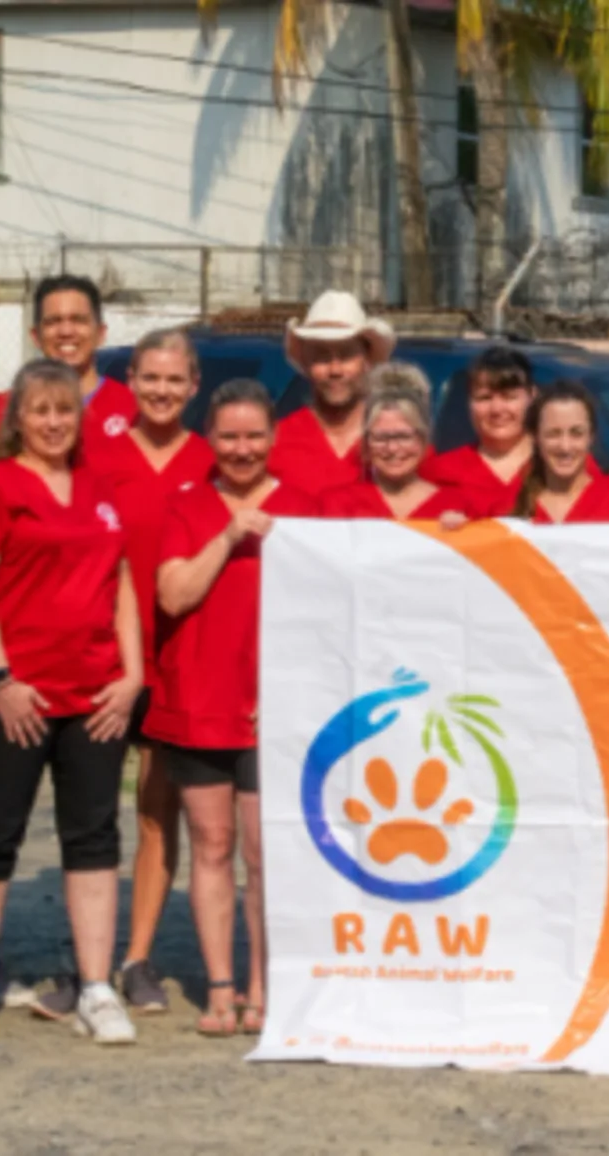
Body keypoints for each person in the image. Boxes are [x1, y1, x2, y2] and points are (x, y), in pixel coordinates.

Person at [0, 359, 145, 1047]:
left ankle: (95, 986)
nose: (55, 422)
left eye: (65, 410)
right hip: (13, 698)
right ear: (18, 420)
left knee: (93, 838)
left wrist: (133, 675)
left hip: (95, 696)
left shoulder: (100, 487)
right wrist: (2, 679)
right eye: (40, 411)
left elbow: (120, 580)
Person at [150, 380, 323, 1039]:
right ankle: (220, 984)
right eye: (228, 436)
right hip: (200, 701)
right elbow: (173, 595)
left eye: (255, 436)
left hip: (271, 711)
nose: (242, 449)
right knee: (212, 846)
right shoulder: (188, 505)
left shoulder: (303, 508)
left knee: (264, 853)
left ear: (274, 439)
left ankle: (265, 984)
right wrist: (228, 535)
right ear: (209, 439)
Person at [82, 328, 214, 1016]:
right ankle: (88, 962)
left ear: (195, 387)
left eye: (176, 380)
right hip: (103, 663)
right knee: (91, 817)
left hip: (179, 666)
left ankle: (136, 958)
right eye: (151, 378)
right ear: (130, 379)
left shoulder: (212, 459)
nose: (162, 391)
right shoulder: (94, 457)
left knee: (157, 816)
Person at [269, 290, 391, 497]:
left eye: (346, 355)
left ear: (366, 361)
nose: (335, 370)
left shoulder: (399, 442)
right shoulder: (274, 442)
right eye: (321, 357)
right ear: (305, 364)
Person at [424, 346, 571, 515]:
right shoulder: (438, 473)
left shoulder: (564, 464)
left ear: (532, 396)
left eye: (509, 397)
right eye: (484, 397)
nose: (496, 409)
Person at [320, 387, 484, 522]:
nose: (392, 448)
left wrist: (466, 534)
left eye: (403, 437)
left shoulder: (457, 504)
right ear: (366, 444)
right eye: (381, 438)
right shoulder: (338, 505)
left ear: (422, 440)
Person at [511, 382, 609, 524]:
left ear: (591, 437)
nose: (565, 447)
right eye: (553, 434)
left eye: (576, 433)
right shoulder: (513, 505)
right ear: (535, 437)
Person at [30, 274, 136, 445]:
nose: (66, 331)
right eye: (53, 321)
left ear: (100, 333)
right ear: (36, 336)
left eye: (79, 320)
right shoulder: (5, 409)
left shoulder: (133, 408)